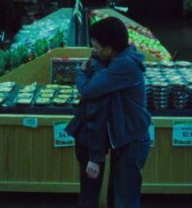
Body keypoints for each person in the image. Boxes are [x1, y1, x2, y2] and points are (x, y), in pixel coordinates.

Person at [76, 17, 152, 208]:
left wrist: (80, 72)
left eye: (97, 47)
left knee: (125, 200)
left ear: (110, 49)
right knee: (117, 196)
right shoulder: (120, 58)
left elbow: (87, 91)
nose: (94, 51)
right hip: (124, 138)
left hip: (131, 141)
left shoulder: (122, 65)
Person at [65, 55, 110, 207]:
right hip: (89, 144)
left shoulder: (94, 68)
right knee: (90, 193)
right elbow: (96, 122)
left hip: (83, 141)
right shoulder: (102, 76)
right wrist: (95, 158)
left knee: (87, 191)